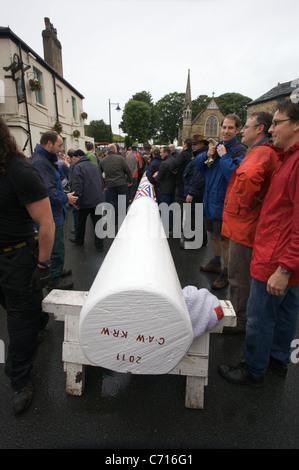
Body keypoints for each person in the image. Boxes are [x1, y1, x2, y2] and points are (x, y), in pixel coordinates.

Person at [218, 99, 299, 387]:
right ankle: (277, 361)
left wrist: (285, 267)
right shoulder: (287, 157)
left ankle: (253, 369)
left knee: (259, 316)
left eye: (277, 123)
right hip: (280, 250)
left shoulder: (289, 159)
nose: (272, 129)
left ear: (296, 124)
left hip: (276, 254)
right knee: (287, 312)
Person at [0, 117, 55, 414]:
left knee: (18, 322)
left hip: (17, 257)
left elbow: (46, 222)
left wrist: (43, 265)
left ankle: (19, 380)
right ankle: (39, 319)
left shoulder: (20, 171)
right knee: (17, 309)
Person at [221, 112, 281, 334]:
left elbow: (247, 177)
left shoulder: (260, 152)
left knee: (238, 277)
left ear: (259, 129)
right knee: (242, 275)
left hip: (244, 226)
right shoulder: (263, 151)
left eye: (245, 127)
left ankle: (239, 321)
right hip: (248, 224)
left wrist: (243, 205)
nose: (241, 131)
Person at [194, 114, 246, 289]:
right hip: (210, 201)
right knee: (213, 236)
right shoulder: (217, 146)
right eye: (224, 127)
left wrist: (224, 156)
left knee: (225, 241)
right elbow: (198, 167)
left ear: (237, 130)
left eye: (230, 128)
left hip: (224, 203)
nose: (226, 131)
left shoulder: (239, 151)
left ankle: (226, 272)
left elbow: (234, 175)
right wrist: (206, 155)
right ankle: (216, 263)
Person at [31, 131, 77, 290]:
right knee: (55, 249)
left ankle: (56, 270)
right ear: (48, 143)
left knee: (57, 247)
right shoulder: (40, 162)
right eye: (58, 145)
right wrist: (66, 199)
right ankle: (54, 280)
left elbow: (57, 181)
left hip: (55, 213)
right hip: (51, 214)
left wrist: (64, 166)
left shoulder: (45, 159)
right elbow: (48, 193)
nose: (60, 149)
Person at [69, 149, 105, 252]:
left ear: (78, 157)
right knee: (97, 223)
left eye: (74, 158)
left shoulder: (78, 167)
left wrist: (75, 200)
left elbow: (77, 185)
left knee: (81, 223)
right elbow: (101, 182)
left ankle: (79, 240)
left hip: (85, 201)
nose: (73, 160)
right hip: (97, 199)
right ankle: (99, 246)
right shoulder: (95, 166)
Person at [182, 136, 208, 246]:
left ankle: (198, 239)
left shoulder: (201, 157)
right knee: (195, 215)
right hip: (195, 191)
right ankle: (197, 238)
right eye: (192, 144)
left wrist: (191, 193)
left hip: (196, 192)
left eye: (196, 144)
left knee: (195, 215)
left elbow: (199, 177)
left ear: (202, 144)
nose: (193, 146)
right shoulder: (199, 155)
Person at [100, 144, 132, 225]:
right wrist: (130, 180)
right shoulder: (120, 159)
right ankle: (124, 220)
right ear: (115, 150)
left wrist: (103, 185)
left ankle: (115, 221)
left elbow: (99, 173)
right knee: (123, 202)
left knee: (113, 203)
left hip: (110, 185)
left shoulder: (103, 161)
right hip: (121, 183)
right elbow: (127, 170)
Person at [153, 146, 176, 232]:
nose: (160, 154)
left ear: (166, 153)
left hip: (165, 189)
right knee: (172, 208)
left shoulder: (164, 163)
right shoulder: (173, 160)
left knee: (166, 208)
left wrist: (156, 175)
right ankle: (172, 226)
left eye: (161, 152)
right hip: (173, 188)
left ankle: (168, 227)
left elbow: (158, 178)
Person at [170, 137, 193, 203]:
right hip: (193, 184)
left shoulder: (183, 155)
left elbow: (173, 165)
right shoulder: (194, 154)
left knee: (182, 205)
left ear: (185, 145)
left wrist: (174, 169)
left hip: (182, 183)